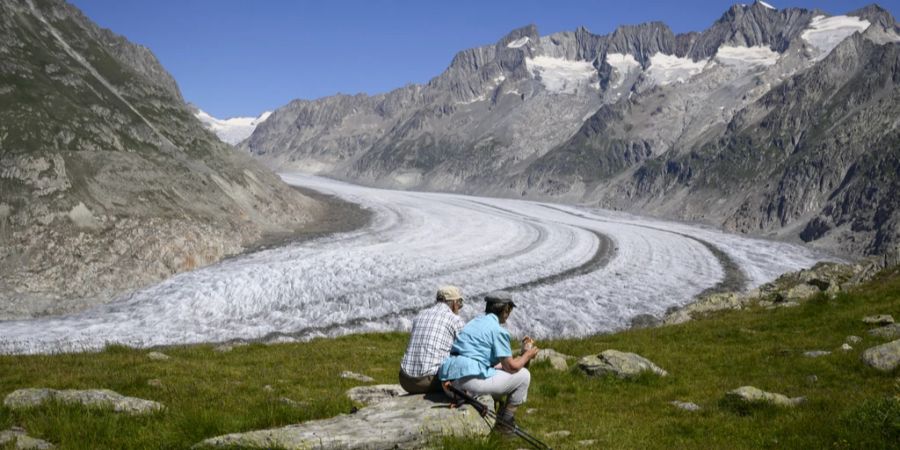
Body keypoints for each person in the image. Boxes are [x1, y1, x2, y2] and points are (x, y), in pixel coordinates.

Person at [438, 291, 539, 434]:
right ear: (505, 309)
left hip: (449, 384)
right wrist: (528, 355)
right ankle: (506, 424)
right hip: (468, 383)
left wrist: (521, 354)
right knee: (524, 376)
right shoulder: (498, 331)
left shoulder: (474, 322)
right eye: (509, 309)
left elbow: (497, 364)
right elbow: (511, 367)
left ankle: (500, 413)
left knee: (498, 374)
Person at [399, 285, 466, 394]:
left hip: (404, 380)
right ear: (454, 303)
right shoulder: (455, 319)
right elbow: (465, 349)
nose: (459, 307)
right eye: (459, 303)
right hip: (429, 381)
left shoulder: (420, 315)